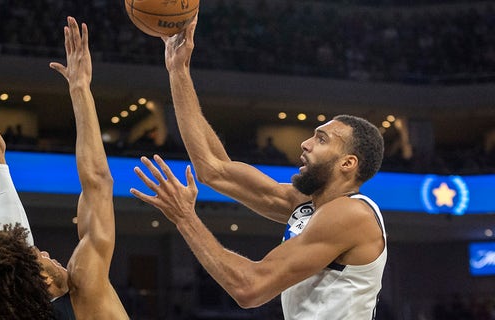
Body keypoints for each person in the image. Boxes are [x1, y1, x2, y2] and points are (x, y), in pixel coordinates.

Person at [130, 15, 387, 319]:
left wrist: (186, 218)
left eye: (321, 139)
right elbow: (214, 169)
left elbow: (250, 288)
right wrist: (178, 70)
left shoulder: (352, 214)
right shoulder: (305, 204)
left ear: (348, 163)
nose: (305, 144)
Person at [0, 17, 129, 320]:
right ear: (44, 280)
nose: (48, 253)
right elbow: (99, 182)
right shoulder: (84, 291)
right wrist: (79, 89)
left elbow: (14, 247)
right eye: (42, 257)